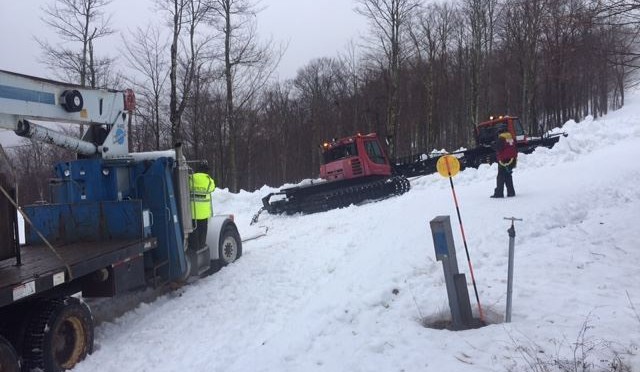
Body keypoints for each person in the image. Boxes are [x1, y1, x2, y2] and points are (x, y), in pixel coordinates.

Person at [189, 163, 216, 251]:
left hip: (193, 212)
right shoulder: (209, 180)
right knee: (203, 230)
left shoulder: (191, 178)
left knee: (194, 231)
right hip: (204, 213)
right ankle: (202, 246)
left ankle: (194, 247)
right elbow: (212, 188)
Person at [491, 126, 517, 198]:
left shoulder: (501, 138)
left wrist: (493, 145)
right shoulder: (511, 137)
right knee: (508, 175)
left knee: (500, 176)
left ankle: (499, 193)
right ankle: (511, 192)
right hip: (512, 160)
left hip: (504, 160)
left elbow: (498, 148)